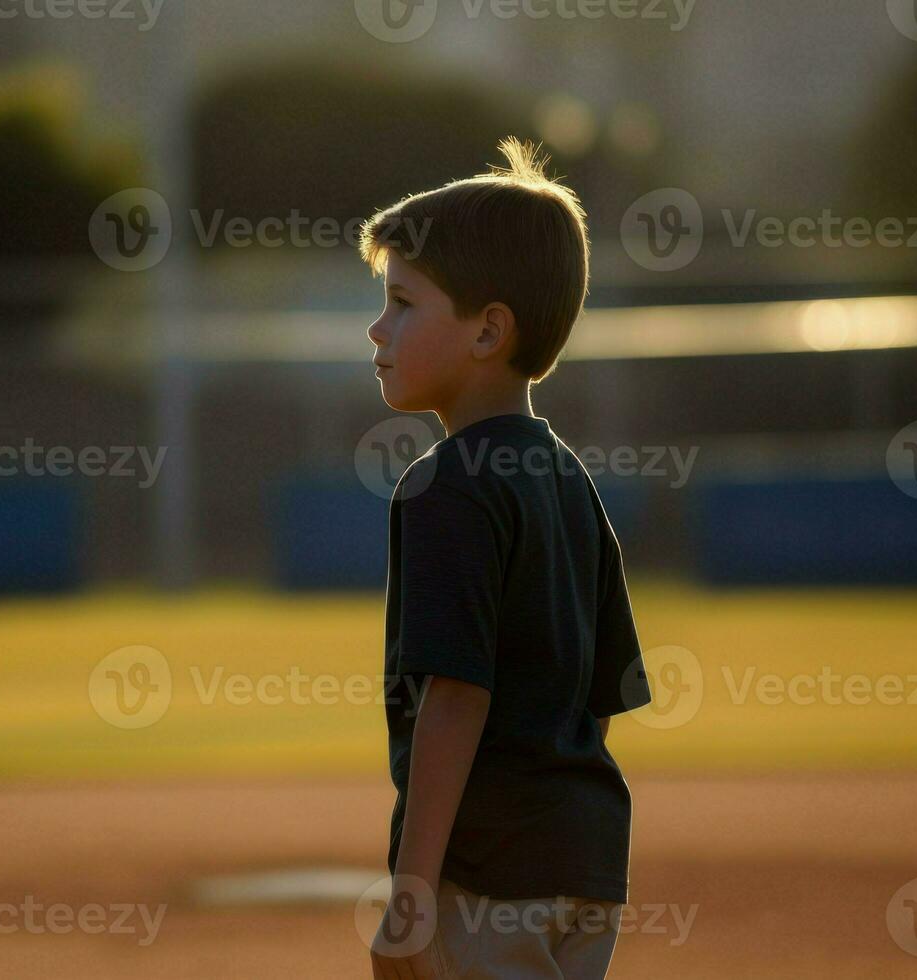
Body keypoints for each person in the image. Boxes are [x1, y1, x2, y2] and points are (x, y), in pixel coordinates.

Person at [360, 139, 654, 979]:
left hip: (485, 876)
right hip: (585, 864)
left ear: (488, 329)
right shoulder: (568, 480)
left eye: (403, 303)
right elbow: (602, 695)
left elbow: (455, 696)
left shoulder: (445, 487)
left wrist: (410, 893)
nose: (378, 328)